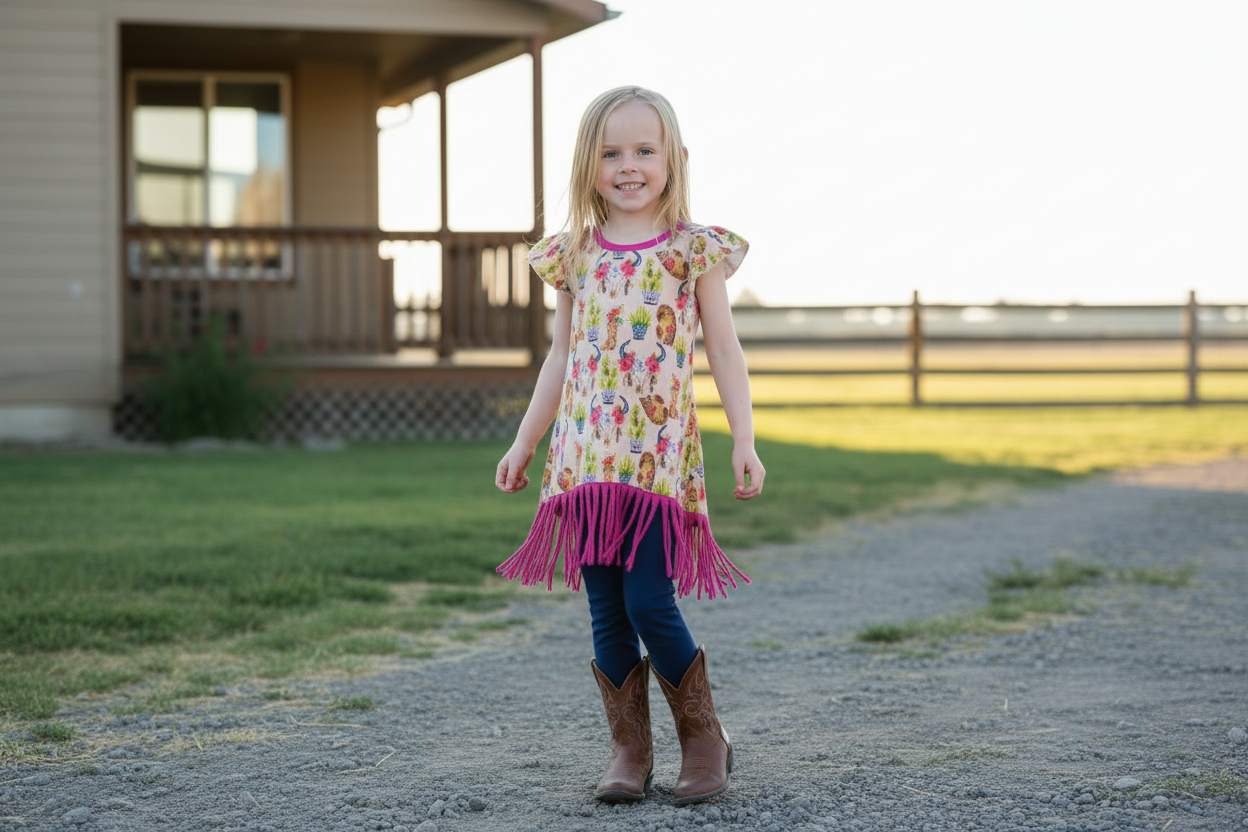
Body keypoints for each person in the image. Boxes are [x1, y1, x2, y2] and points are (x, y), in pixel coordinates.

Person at [494, 86, 765, 806]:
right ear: (589, 164)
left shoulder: (690, 251)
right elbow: (559, 358)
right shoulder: (574, 256)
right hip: (585, 462)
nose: (629, 166)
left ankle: (705, 737)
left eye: (645, 150)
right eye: (612, 152)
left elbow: (726, 352)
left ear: (673, 159)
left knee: (650, 599)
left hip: (655, 466)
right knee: (605, 609)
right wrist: (526, 442)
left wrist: (746, 438)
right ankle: (629, 748)